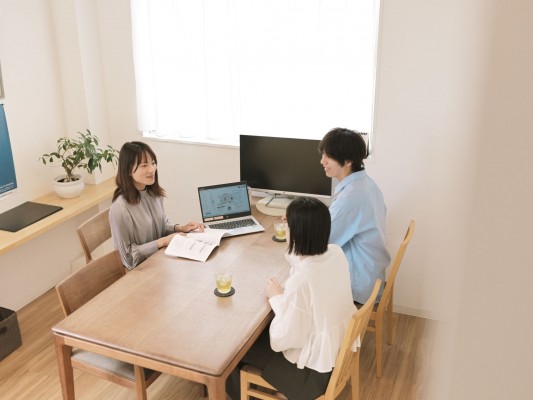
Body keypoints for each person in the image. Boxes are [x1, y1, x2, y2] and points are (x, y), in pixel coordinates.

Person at [226, 197, 356, 400]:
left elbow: (282, 340)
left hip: (309, 374)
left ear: (297, 233)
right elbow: (304, 266)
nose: (285, 227)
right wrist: (295, 229)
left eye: (288, 225)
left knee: (232, 353)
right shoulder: (335, 254)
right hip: (332, 356)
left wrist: (277, 298)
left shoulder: (301, 282)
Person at [318, 127, 390, 304]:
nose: (322, 161)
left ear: (348, 160)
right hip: (371, 273)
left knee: (295, 279)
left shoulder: (351, 196)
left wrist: (296, 227)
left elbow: (321, 241)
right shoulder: (366, 184)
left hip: (357, 285)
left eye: (328, 156)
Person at [109, 141, 204, 269]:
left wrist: (181, 228)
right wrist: (161, 242)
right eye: (144, 165)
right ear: (128, 170)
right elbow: (127, 258)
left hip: (160, 259)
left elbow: (160, 226)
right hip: (140, 270)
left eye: (153, 163)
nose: (152, 169)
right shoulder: (120, 208)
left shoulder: (154, 194)